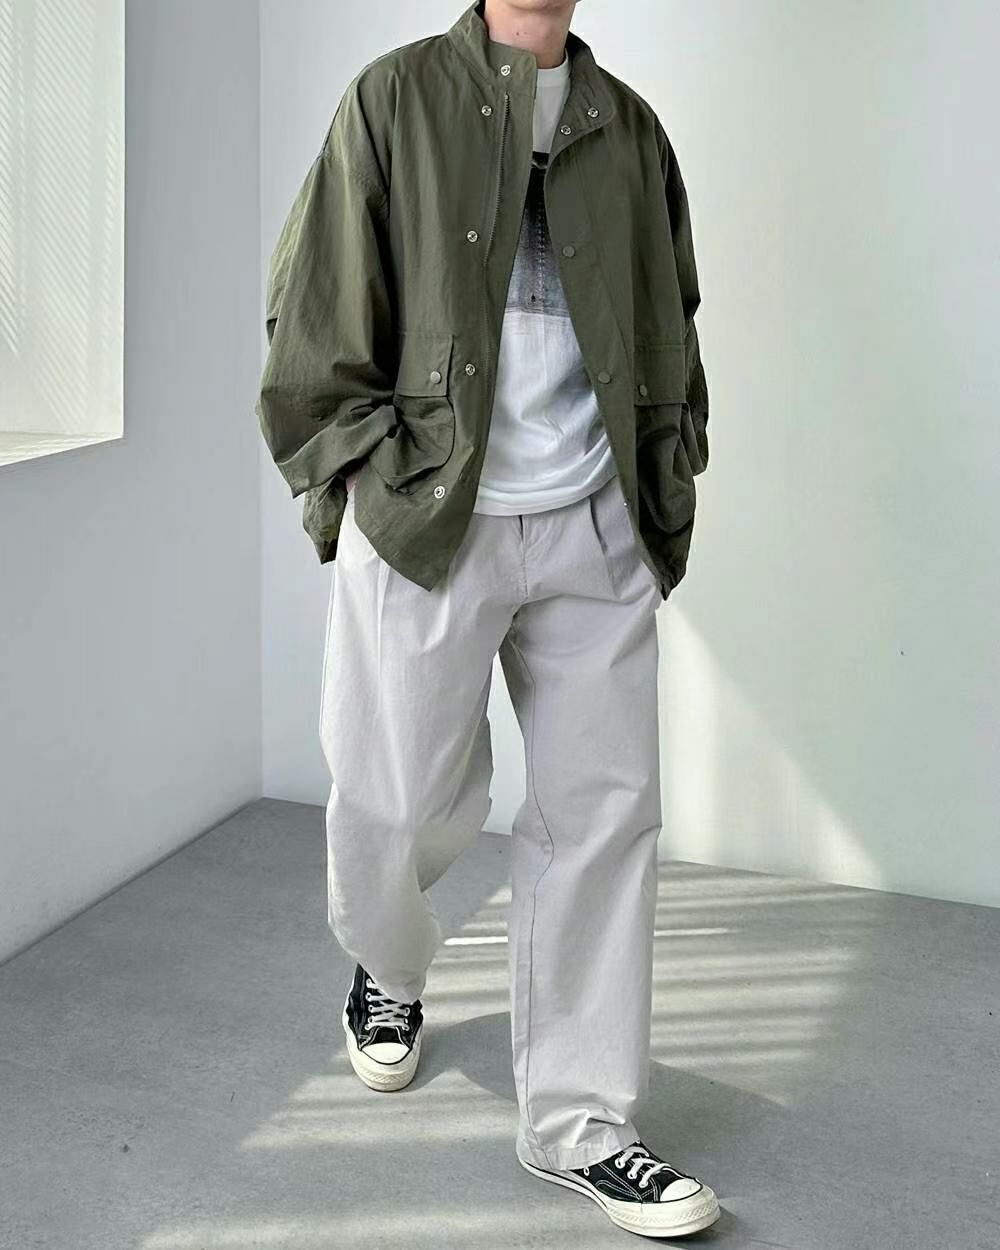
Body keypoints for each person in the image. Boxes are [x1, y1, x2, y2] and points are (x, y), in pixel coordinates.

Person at [256, 0, 717, 1236]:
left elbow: (672, 320)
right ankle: (388, 964)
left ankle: (583, 1121)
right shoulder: (393, 98)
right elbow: (312, 306)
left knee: (604, 819)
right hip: (425, 512)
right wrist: (358, 473)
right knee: (394, 795)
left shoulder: (630, 130)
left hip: (593, 521)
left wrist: (661, 484)